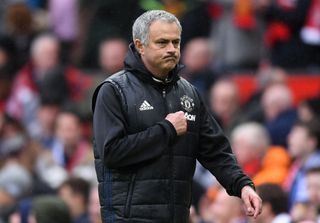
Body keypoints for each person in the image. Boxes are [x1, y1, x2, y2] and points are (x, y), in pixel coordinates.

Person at [92, 10, 262, 222]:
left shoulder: (188, 93)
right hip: (129, 218)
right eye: (162, 43)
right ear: (140, 45)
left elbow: (215, 151)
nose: (172, 49)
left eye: (176, 42)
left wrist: (242, 185)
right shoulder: (114, 90)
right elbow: (112, 153)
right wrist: (167, 130)